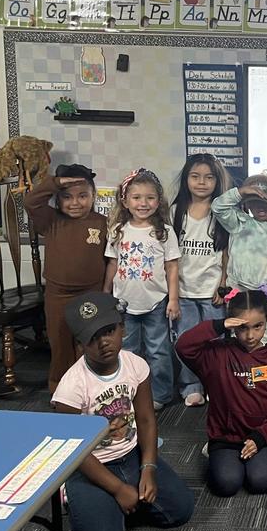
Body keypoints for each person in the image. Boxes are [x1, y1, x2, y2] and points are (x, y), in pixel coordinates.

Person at [52, 292, 194, 531]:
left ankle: (114, 508)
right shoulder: (70, 388)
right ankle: (84, 500)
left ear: (122, 328)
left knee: (181, 510)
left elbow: (146, 420)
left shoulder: (135, 365)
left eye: (109, 331)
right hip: (88, 466)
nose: (103, 342)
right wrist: (116, 489)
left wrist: (149, 467)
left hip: (130, 455)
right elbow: (74, 450)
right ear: (80, 344)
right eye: (92, 337)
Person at [175, 287, 267, 497]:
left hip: (262, 435)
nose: (250, 335)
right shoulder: (217, 355)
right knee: (226, 484)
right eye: (243, 328)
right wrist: (219, 325)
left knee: (261, 482)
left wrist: (261, 438)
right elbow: (184, 346)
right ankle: (213, 451)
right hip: (225, 436)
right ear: (232, 325)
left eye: (258, 327)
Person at [25, 163, 108, 392]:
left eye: (83, 196)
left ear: (93, 196)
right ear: (57, 199)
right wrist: (55, 182)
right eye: (67, 197)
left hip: (91, 293)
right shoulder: (50, 220)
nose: (75, 203)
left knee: (89, 342)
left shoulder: (101, 223)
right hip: (57, 295)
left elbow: (110, 259)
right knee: (60, 343)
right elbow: (30, 201)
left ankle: (90, 387)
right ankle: (60, 388)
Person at [104, 168, 180, 410]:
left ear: (158, 201)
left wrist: (174, 300)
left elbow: (172, 268)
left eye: (150, 197)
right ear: (125, 201)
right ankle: (129, 391)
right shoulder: (117, 229)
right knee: (127, 351)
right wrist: (106, 292)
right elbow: (113, 263)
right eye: (136, 197)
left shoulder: (164, 232)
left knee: (158, 351)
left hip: (156, 302)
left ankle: (160, 393)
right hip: (123, 303)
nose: (143, 203)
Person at [170, 154, 232, 407]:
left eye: (209, 177)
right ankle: (191, 386)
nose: (202, 183)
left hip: (212, 292)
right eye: (195, 177)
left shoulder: (222, 213)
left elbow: (228, 252)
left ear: (217, 181)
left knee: (215, 341)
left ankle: (214, 384)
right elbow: (169, 255)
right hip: (183, 291)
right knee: (186, 340)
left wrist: (224, 283)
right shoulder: (175, 212)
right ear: (186, 179)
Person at [211, 173, 267, 350]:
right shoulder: (240, 223)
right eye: (254, 202)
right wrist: (242, 191)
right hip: (240, 292)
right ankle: (239, 373)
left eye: (265, 202)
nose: (260, 207)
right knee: (238, 333)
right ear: (246, 204)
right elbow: (218, 207)